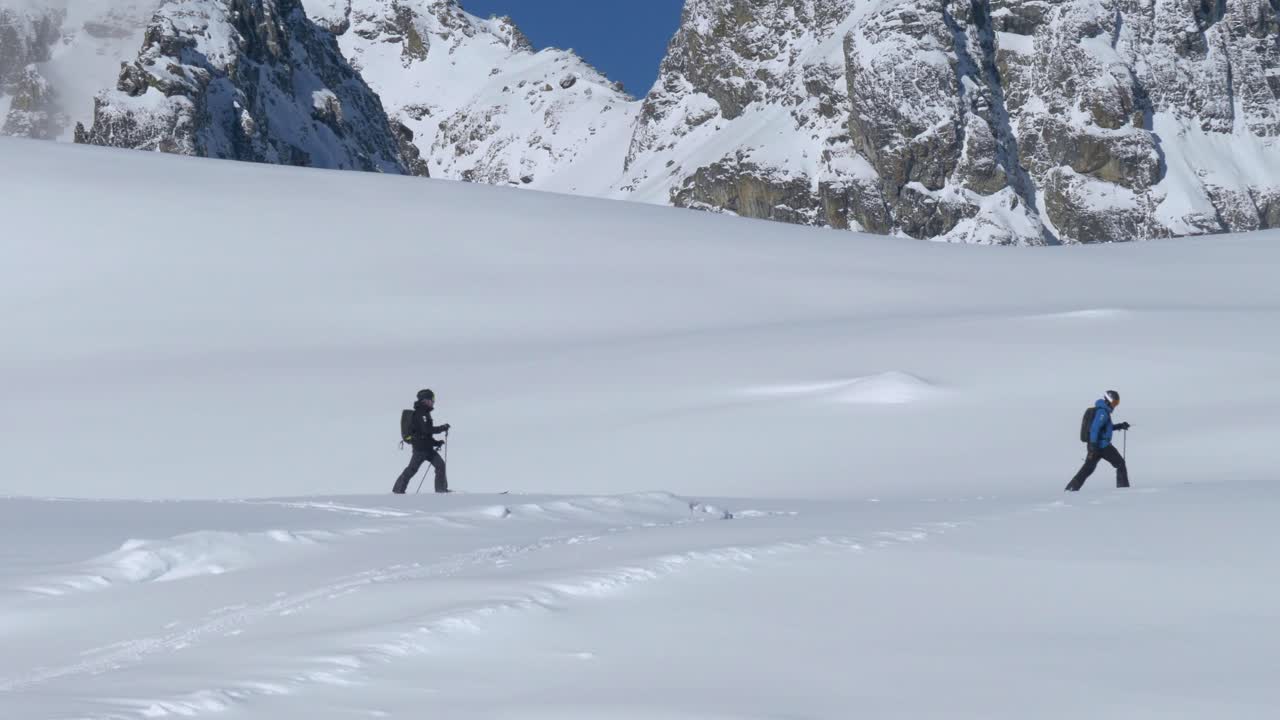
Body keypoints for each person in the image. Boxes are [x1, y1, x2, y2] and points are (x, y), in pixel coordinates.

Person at [1065, 390, 1130, 491]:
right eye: (1114, 403)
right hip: (1102, 446)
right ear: (1108, 400)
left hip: (1096, 446)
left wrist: (1120, 426)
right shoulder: (1102, 412)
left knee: (1087, 469)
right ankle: (1124, 490)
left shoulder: (1103, 411)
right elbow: (1094, 429)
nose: (1115, 405)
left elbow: (1105, 428)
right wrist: (1093, 446)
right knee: (1120, 464)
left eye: (1116, 403)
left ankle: (1071, 489)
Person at [393, 389, 451, 494]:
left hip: (427, 449)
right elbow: (426, 430)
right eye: (431, 400)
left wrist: (436, 442)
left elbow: (426, 434)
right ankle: (398, 491)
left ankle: (441, 490)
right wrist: (442, 428)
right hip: (420, 449)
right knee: (412, 469)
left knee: (440, 465)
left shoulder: (425, 413)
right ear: (425, 400)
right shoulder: (421, 413)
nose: (433, 402)